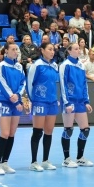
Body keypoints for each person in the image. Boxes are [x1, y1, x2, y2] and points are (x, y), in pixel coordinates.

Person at [59, 43, 94, 168]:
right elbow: (62, 84)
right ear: (69, 51)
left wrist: (86, 101)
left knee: (85, 130)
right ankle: (66, 159)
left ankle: (80, 158)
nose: (79, 50)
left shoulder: (81, 65)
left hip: (80, 101)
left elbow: (84, 85)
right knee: (68, 130)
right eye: (76, 48)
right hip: (69, 101)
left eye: (79, 48)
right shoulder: (64, 65)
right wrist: (67, 103)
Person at [27, 42, 60, 172]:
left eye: (53, 50)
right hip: (40, 101)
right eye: (49, 49)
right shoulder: (36, 65)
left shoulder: (55, 65)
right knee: (37, 131)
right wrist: (32, 100)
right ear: (42, 50)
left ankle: (45, 160)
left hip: (52, 102)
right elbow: (29, 83)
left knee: (49, 131)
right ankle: (34, 162)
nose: (52, 52)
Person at [0, 43, 26, 175]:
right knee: (5, 133)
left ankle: (5, 162)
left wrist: (18, 95)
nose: (15, 51)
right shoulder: (1, 66)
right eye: (13, 49)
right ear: (6, 51)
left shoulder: (19, 66)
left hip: (16, 101)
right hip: (5, 102)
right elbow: (2, 83)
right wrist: (13, 97)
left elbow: (23, 82)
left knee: (12, 133)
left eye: (16, 49)